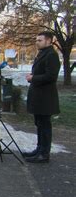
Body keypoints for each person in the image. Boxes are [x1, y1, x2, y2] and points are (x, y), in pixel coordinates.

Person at [24, 31, 61, 163]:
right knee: (39, 125)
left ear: (48, 41)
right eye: (37, 40)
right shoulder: (43, 54)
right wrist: (33, 76)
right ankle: (39, 149)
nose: (37, 42)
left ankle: (44, 154)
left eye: (40, 40)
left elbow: (51, 76)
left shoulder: (51, 55)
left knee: (45, 126)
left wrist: (33, 77)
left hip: (45, 98)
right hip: (38, 97)